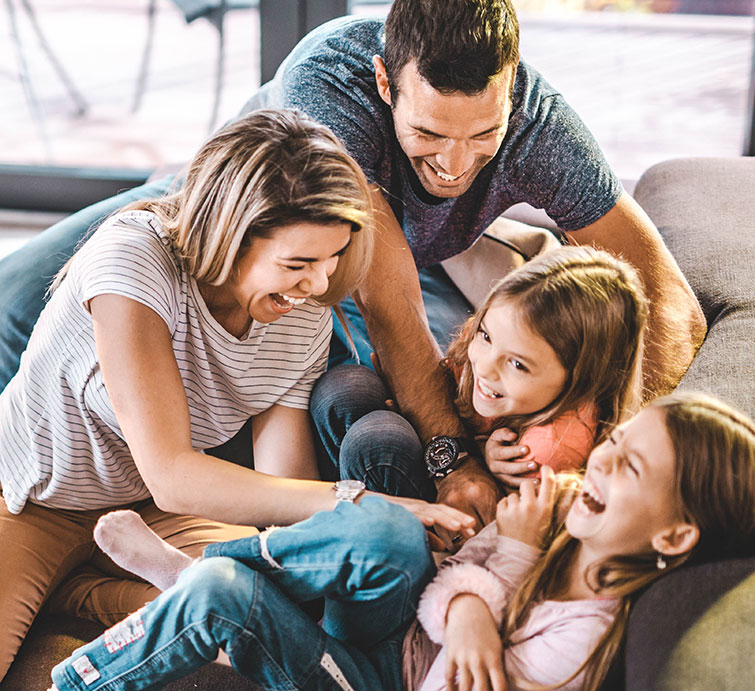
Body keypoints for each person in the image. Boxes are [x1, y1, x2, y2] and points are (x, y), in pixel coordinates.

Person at [0, 0, 706, 534]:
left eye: (482, 136)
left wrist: (610, 438)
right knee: (19, 295)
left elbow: (666, 295)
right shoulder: (331, 81)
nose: (454, 166)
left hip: (333, 268)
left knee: (329, 380)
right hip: (241, 213)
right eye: (429, 134)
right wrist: (450, 463)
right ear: (384, 83)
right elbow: (383, 298)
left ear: (512, 94)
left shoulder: (542, 127)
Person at [0, 109, 474, 681]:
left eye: (332, 260)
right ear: (228, 233)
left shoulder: (299, 312)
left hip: (152, 512)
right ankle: (79, 589)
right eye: (298, 263)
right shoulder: (133, 262)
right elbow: (172, 473)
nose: (320, 285)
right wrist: (365, 502)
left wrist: (347, 541)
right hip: (30, 499)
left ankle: (88, 590)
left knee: (270, 604)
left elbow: (284, 491)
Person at [49, 392, 755, 691]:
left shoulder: (584, 636)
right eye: (618, 438)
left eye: (628, 465)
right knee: (387, 530)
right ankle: (213, 561)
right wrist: (474, 590)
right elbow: (448, 586)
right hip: (394, 635)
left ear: (674, 532)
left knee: (220, 600)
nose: (598, 458)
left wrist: (505, 565)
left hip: (384, 683)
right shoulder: (567, 516)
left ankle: (83, 675)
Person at [313, 245, 648, 507]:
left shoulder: (549, 449)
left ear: (582, 381)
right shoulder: (489, 362)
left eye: (517, 364)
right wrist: (412, 401)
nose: (485, 366)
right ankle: (320, 505)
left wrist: (485, 463)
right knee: (344, 387)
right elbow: (455, 389)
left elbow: (496, 524)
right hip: (449, 463)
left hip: (460, 532)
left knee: (376, 441)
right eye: (486, 336)